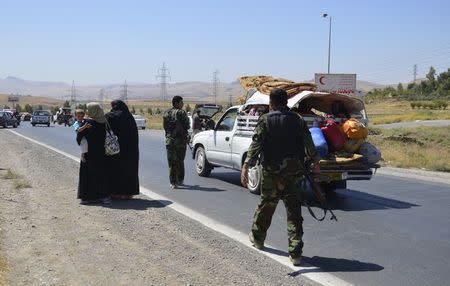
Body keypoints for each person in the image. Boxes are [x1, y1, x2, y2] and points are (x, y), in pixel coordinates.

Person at [241, 89, 321, 266]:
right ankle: (295, 253)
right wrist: (316, 162)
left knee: (266, 207)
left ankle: (258, 239)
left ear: (272, 103)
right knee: (294, 212)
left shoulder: (265, 120)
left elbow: (256, 145)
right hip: (295, 173)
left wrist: (246, 166)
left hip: (272, 174)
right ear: (286, 102)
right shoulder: (297, 120)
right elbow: (309, 143)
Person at [105, 100, 140, 200]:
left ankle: (115, 193)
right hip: (130, 151)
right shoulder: (130, 117)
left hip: (114, 150)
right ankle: (127, 193)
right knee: (128, 170)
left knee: (115, 170)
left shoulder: (110, 116)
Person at [77, 103, 110, 205]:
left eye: (88, 109)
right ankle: (102, 197)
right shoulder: (104, 122)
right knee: (100, 174)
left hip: (89, 153)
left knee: (88, 175)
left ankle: (87, 198)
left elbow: (79, 137)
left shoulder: (88, 123)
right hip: (101, 153)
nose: (86, 111)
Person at [163, 96, 189, 189]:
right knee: (180, 161)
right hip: (180, 141)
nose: (183, 104)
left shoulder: (166, 113)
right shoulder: (181, 112)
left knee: (171, 162)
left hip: (170, 140)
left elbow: (165, 127)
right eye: (181, 102)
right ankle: (180, 180)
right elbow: (187, 126)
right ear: (176, 103)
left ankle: (173, 182)